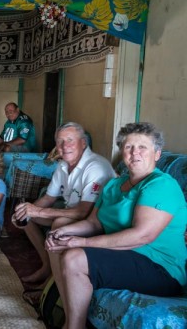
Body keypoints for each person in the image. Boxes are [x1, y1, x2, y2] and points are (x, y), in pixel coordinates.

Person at [46, 122, 186, 329]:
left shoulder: (160, 184)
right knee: (58, 243)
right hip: (125, 256)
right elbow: (94, 222)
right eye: (129, 147)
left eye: (142, 147)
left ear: (156, 154)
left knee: (74, 256)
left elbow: (142, 236)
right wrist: (62, 231)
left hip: (160, 266)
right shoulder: (113, 185)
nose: (134, 153)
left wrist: (81, 241)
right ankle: (71, 319)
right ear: (122, 152)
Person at [12, 122, 115, 285]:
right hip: (73, 213)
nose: (64, 146)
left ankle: (53, 282)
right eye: (60, 141)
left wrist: (38, 212)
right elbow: (48, 198)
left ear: (83, 143)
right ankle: (47, 266)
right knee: (27, 218)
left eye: (70, 140)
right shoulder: (62, 165)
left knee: (59, 223)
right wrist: (27, 210)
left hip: (95, 221)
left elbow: (84, 212)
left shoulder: (96, 167)